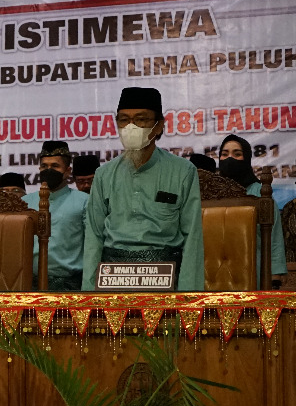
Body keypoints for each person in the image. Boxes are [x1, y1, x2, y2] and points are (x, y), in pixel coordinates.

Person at [82, 87, 204, 291]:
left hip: (164, 279)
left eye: (141, 119)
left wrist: (187, 298)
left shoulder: (183, 171)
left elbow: (193, 238)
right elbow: (94, 237)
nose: (131, 126)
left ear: (159, 126)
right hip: (113, 279)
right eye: (124, 120)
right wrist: (89, 296)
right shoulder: (104, 174)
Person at [219, 134, 285, 284]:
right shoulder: (212, 192)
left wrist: (275, 275)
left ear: (247, 158)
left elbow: (274, 239)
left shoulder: (260, 193)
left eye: (237, 154)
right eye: (225, 154)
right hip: (216, 275)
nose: (229, 159)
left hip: (254, 275)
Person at [23, 140, 89, 292]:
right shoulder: (25, 202)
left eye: (55, 166)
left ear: (67, 171)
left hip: (70, 285)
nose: (48, 170)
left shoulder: (84, 201)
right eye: (44, 166)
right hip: (29, 284)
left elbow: (92, 245)